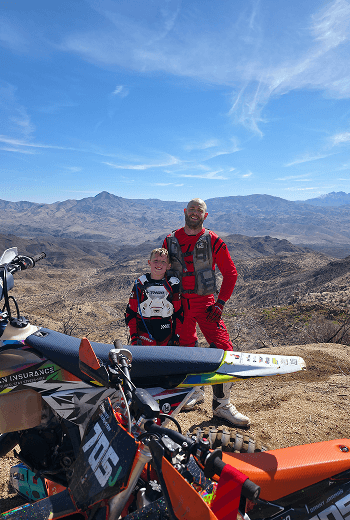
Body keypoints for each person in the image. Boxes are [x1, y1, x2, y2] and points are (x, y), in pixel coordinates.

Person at [163, 198, 250, 427]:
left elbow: (230, 274)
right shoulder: (170, 240)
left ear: (205, 215)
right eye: (191, 209)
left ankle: (222, 405)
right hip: (180, 304)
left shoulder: (213, 240)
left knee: (224, 350)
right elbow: (160, 269)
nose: (194, 212)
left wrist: (220, 303)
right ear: (185, 211)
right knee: (185, 349)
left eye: (199, 210)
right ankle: (194, 391)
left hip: (207, 304)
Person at [125, 248, 183, 346]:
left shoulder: (173, 284)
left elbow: (179, 313)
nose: (159, 264)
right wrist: (134, 337)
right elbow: (131, 313)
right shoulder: (140, 284)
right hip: (143, 333)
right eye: (155, 261)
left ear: (169, 266)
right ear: (149, 263)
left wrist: (176, 336)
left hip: (166, 334)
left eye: (163, 262)